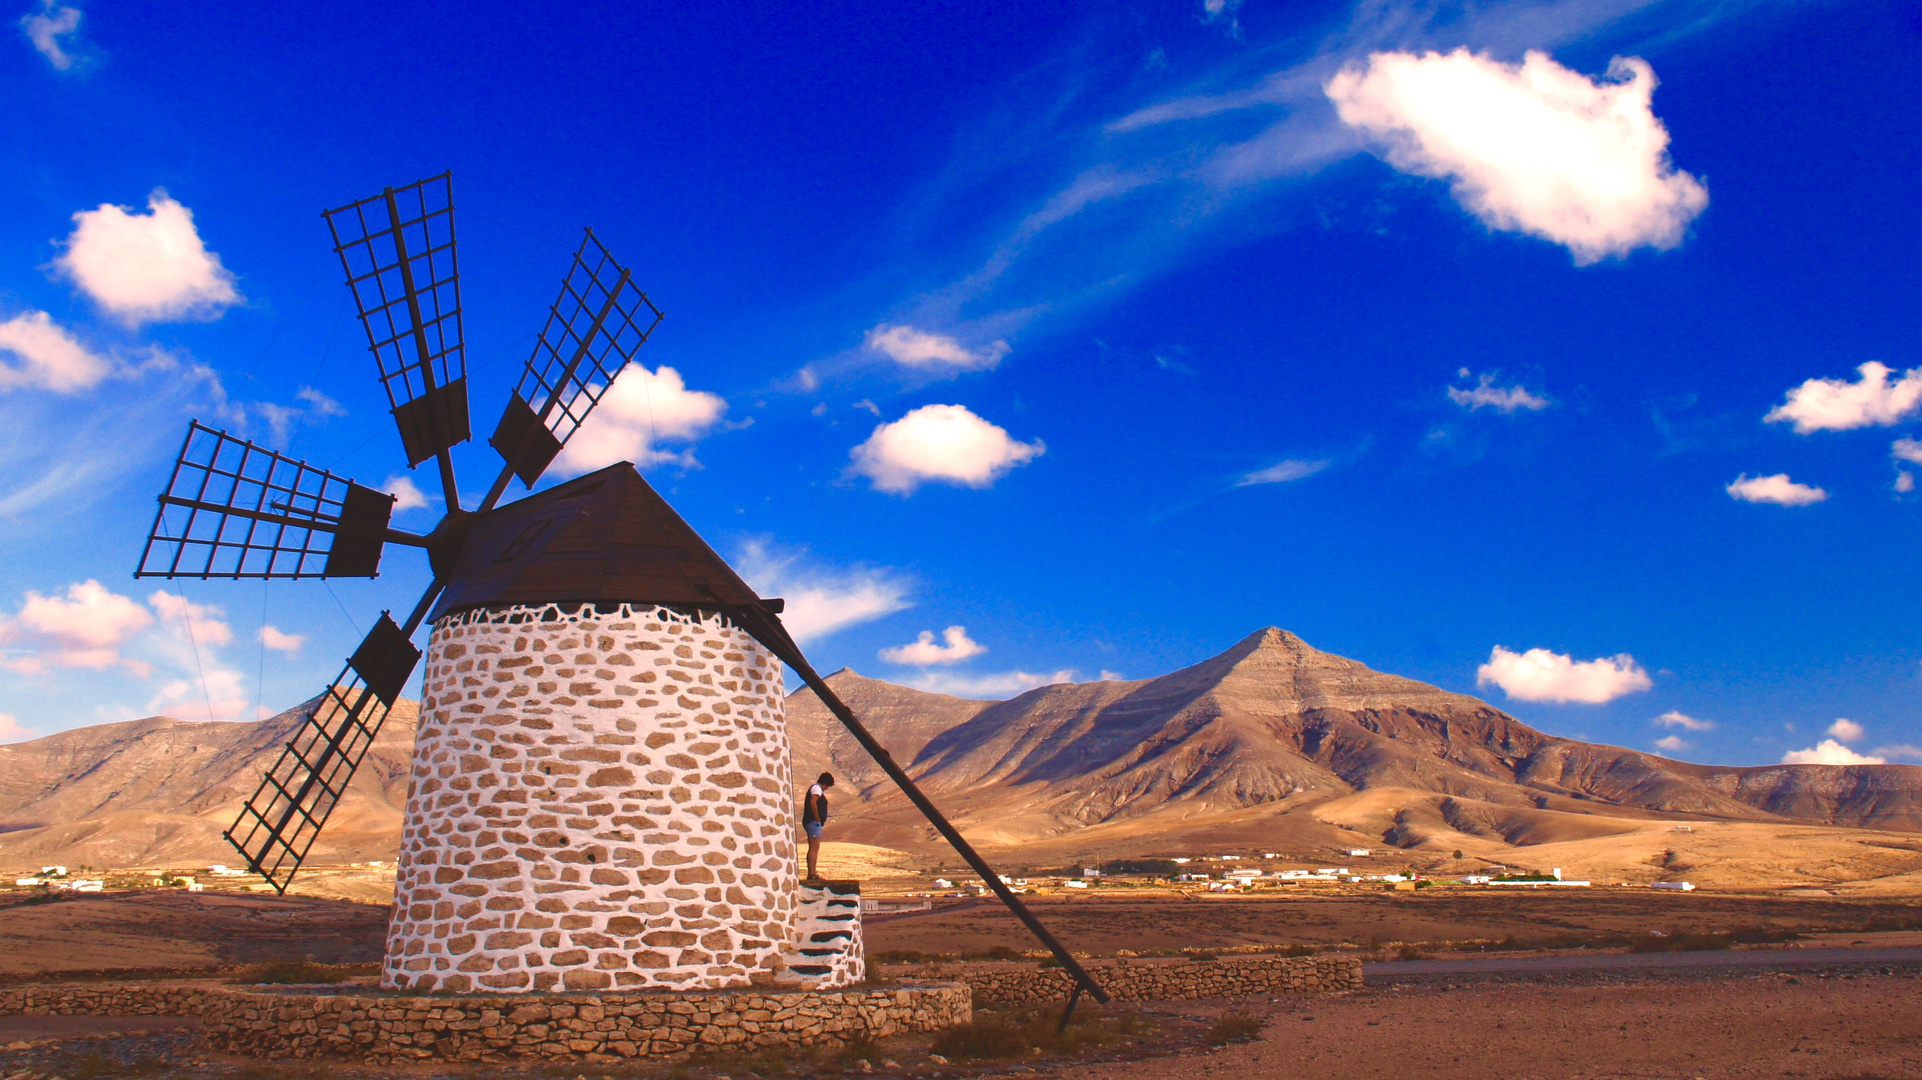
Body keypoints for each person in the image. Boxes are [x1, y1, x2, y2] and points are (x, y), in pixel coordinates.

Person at [802, 772, 835, 881]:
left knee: (814, 848)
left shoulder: (816, 789)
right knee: (814, 848)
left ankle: (812, 872)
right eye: (827, 786)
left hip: (813, 822)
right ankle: (812, 873)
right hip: (813, 821)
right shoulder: (816, 789)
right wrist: (817, 818)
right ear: (825, 783)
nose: (827, 788)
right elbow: (813, 802)